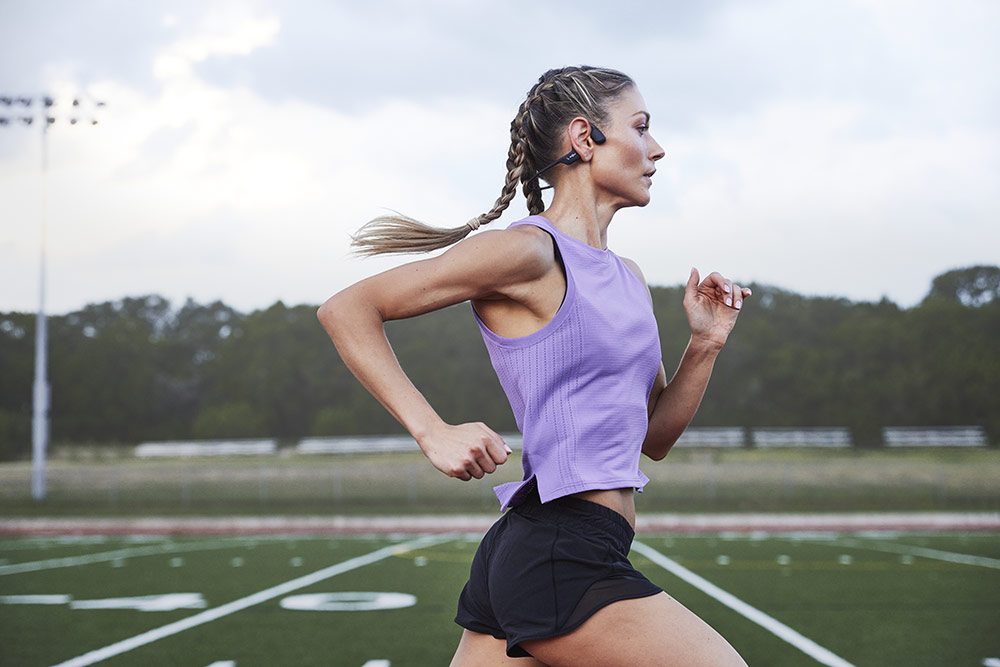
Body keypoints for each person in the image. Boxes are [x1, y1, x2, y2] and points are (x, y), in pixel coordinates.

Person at [318, 65, 750, 667]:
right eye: (641, 127)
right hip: (560, 551)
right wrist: (433, 430)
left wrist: (704, 344)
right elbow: (348, 310)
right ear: (584, 137)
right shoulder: (529, 251)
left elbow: (652, 439)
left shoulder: (627, 277)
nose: (656, 149)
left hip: (554, 547)